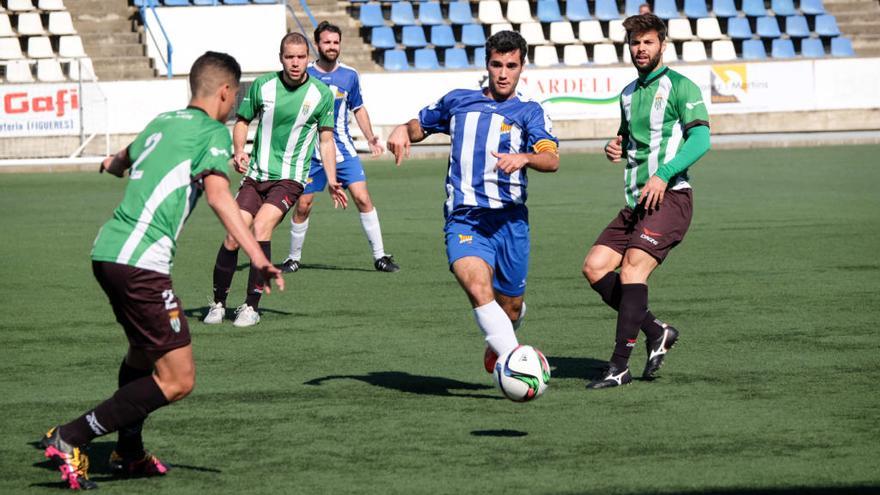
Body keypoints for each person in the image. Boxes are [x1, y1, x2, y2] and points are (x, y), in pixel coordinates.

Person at [39, 51, 284, 490]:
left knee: (141, 353)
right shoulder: (212, 132)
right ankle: (71, 436)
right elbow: (219, 198)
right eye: (235, 96)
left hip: (108, 251)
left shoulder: (163, 120)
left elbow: (119, 161)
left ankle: (129, 452)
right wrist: (260, 257)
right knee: (178, 378)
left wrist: (108, 165)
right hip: (140, 263)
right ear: (226, 92)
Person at [387, 31, 559, 375]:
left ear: (522, 67)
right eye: (497, 65)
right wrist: (400, 130)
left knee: (509, 308)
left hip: (510, 222)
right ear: (487, 65)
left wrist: (523, 158)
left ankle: (504, 333)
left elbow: (551, 159)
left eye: (511, 65)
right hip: (465, 219)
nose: (504, 73)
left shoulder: (529, 112)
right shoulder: (459, 101)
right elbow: (419, 126)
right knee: (478, 287)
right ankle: (519, 364)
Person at [583, 14, 711, 389]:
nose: (640, 49)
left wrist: (664, 173)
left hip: (671, 197)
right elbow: (629, 140)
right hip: (636, 203)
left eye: (648, 42)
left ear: (662, 45)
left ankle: (619, 366)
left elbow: (701, 140)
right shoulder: (626, 93)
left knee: (632, 271)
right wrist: (615, 146)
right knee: (594, 268)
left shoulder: (680, 87)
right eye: (635, 43)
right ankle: (657, 331)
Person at [205, 32, 347, 327]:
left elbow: (326, 140)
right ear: (281, 58)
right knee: (233, 236)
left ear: (309, 58)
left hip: (290, 178)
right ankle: (218, 302)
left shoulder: (321, 95)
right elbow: (242, 121)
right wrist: (238, 151)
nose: (295, 63)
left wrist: (332, 178)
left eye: (300, 57)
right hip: (255, 177)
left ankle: (250, 307)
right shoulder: (262, 86)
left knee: (261, 226)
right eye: (289, 57)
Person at [281, 21, 399, 274]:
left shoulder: (349, 75)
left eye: (336, 42)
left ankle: (380, 256)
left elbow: (358, 108)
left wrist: (370, 137)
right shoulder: (305, 75)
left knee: (363, 198)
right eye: (327, 42)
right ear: (317, 45)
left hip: (344, 150)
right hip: (311, 153)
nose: (332, 47)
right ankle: (293, 257)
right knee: (303, 205)